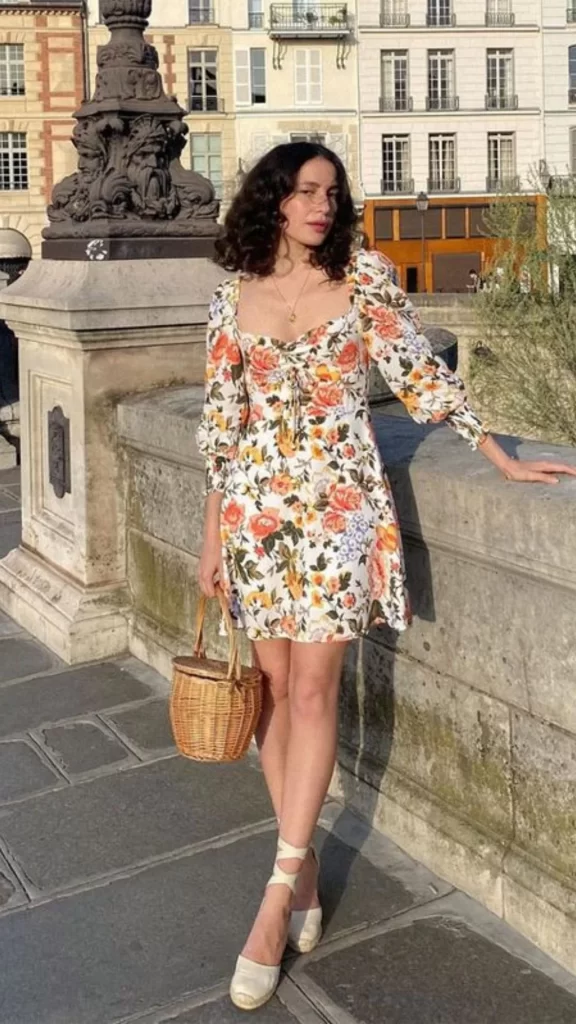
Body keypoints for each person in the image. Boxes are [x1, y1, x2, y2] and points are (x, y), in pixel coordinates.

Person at [195, 141, 576, 1011]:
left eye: (332, 193)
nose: (322, 206)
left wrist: (499, 455)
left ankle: (274, 898)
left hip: (338, 507)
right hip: (254, 510)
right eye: (306, 191)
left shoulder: (363, 280)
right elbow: (222, 426)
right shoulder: (230, 300)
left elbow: (421, 378)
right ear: (273, 200)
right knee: (271, 689)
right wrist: (211, 536)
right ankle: (303, 869)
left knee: (314, 690)